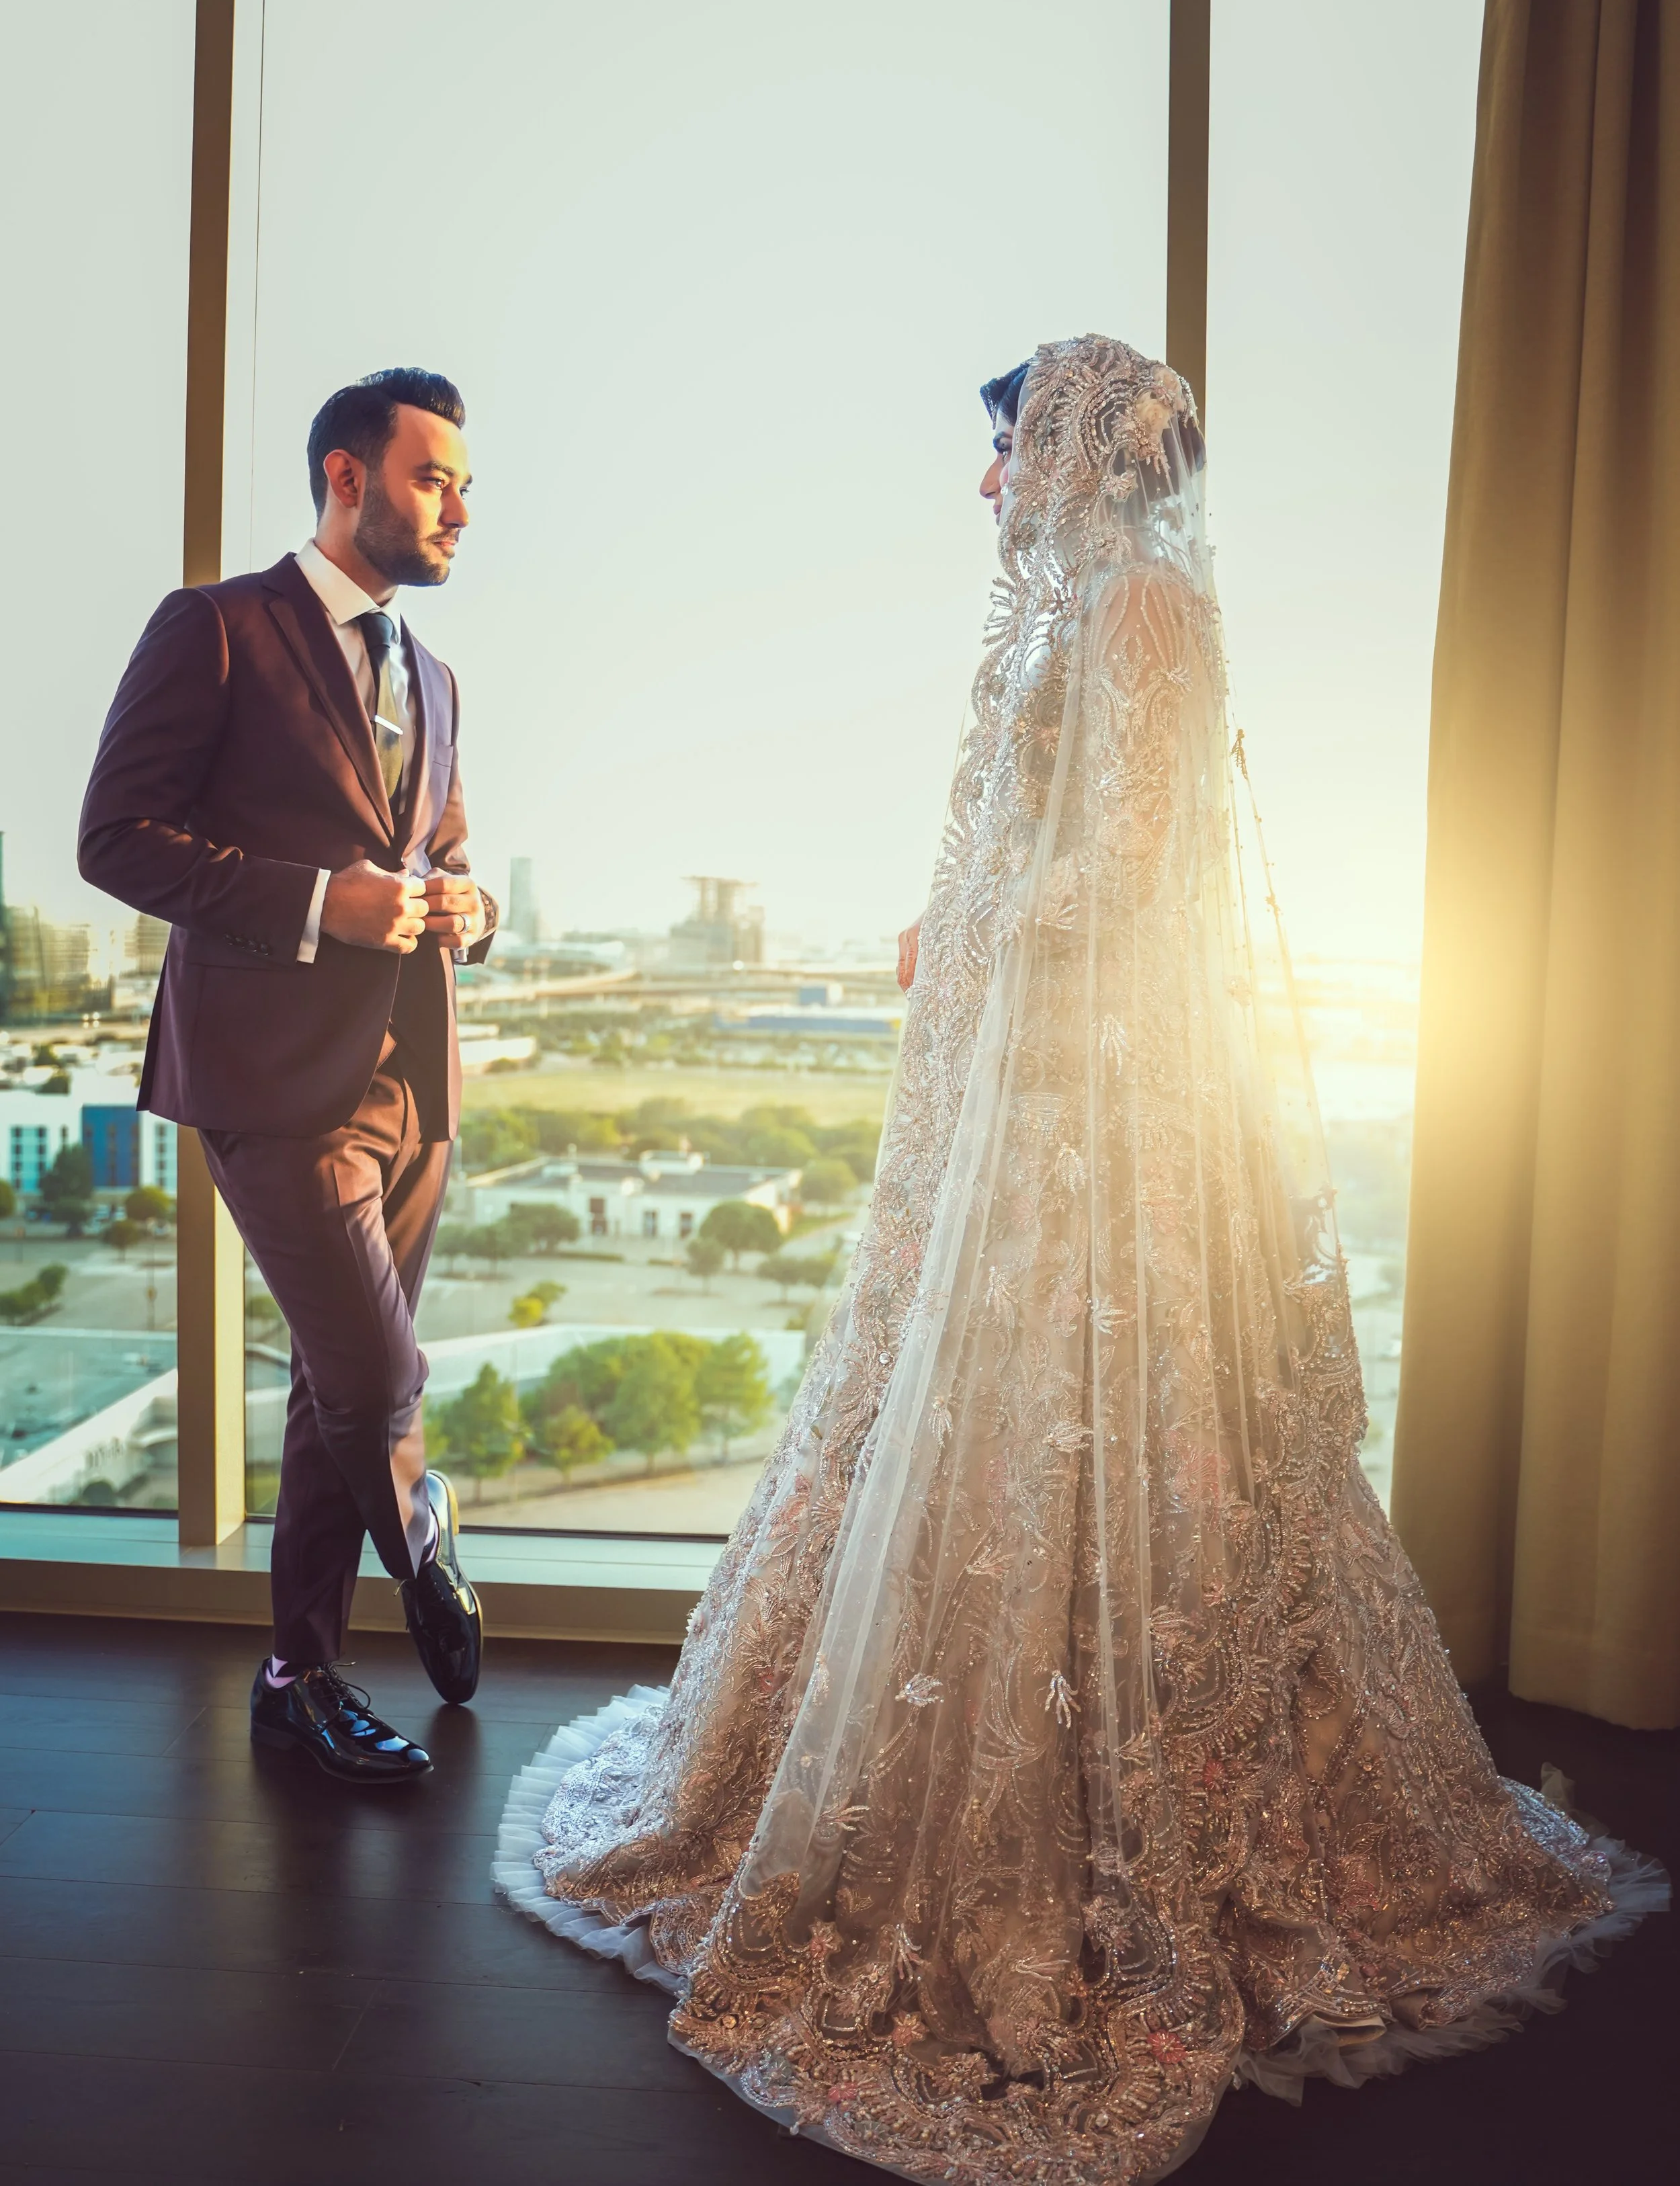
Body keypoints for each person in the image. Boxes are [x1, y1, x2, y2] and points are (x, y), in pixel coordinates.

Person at [496, 336, 1664, 2179]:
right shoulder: (1097, 607)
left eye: (999, 449)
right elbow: (1057, 841)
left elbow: (1122, 866)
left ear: (1072, 452)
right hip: (1040, 1088)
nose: (984, 485)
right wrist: (952, 910)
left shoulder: (1138, 610)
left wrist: (967, 914)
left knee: (1117, 1419)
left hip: (1097, 1108)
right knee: (977, 1412)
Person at [80, 367, 496, 1785]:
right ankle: (423, 1532)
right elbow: (117, 839)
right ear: (343, 477)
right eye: (433, 476)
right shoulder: (214, 630)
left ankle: (298, 1674)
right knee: (378, 1376)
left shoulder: (436, 679)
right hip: (270, 1080)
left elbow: (438, 850)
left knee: (338, 1385)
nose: (457, 506)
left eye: (463, 484)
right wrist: (324, 902)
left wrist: (467, 905)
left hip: (412, 1090)